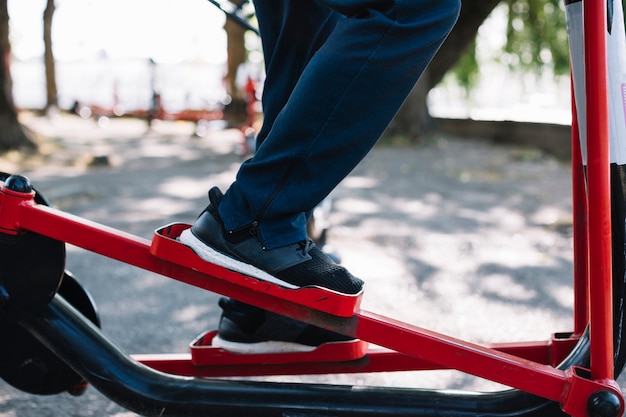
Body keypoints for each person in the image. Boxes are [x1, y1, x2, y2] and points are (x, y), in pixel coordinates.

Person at [180, 0, 461, 353]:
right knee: (412, 7)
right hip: (249, 221)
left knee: (305, 38)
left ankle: (261, 307)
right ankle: (255, 220)